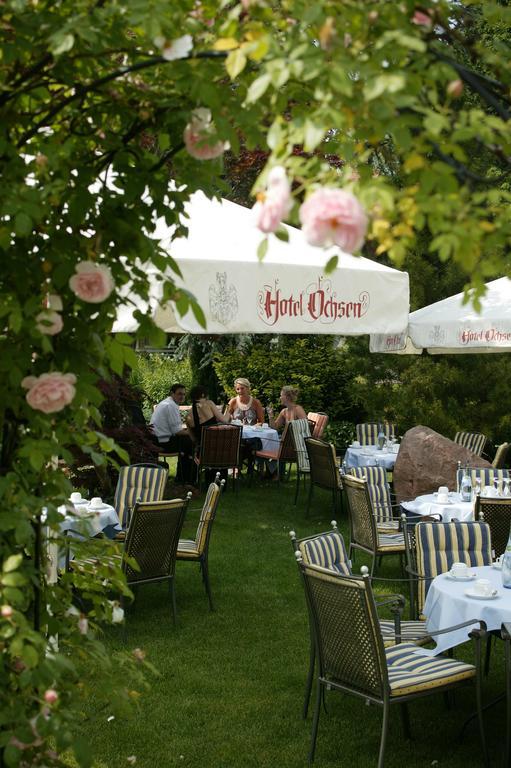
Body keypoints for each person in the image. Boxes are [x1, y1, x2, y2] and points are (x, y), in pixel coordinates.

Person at [150, 383, 194, 484]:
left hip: (156, 440)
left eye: (183, 394)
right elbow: (177, 431)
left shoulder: (167, 403)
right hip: (162, 443)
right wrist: (193, 433)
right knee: (191, 443)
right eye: (179, 394)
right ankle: (185, 479)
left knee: (188, 442)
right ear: (172, 394)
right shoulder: (171, 406)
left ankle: (184, 477)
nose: (182, 396)